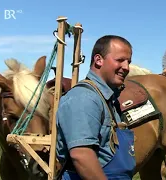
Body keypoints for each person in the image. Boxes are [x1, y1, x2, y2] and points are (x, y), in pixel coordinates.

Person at [55, 35, 135, 180]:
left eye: (128, 62)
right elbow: (81, 155)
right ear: (98, 60)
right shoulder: (83, 98)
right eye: (120, 60)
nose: (126, 67)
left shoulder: (106, 98)